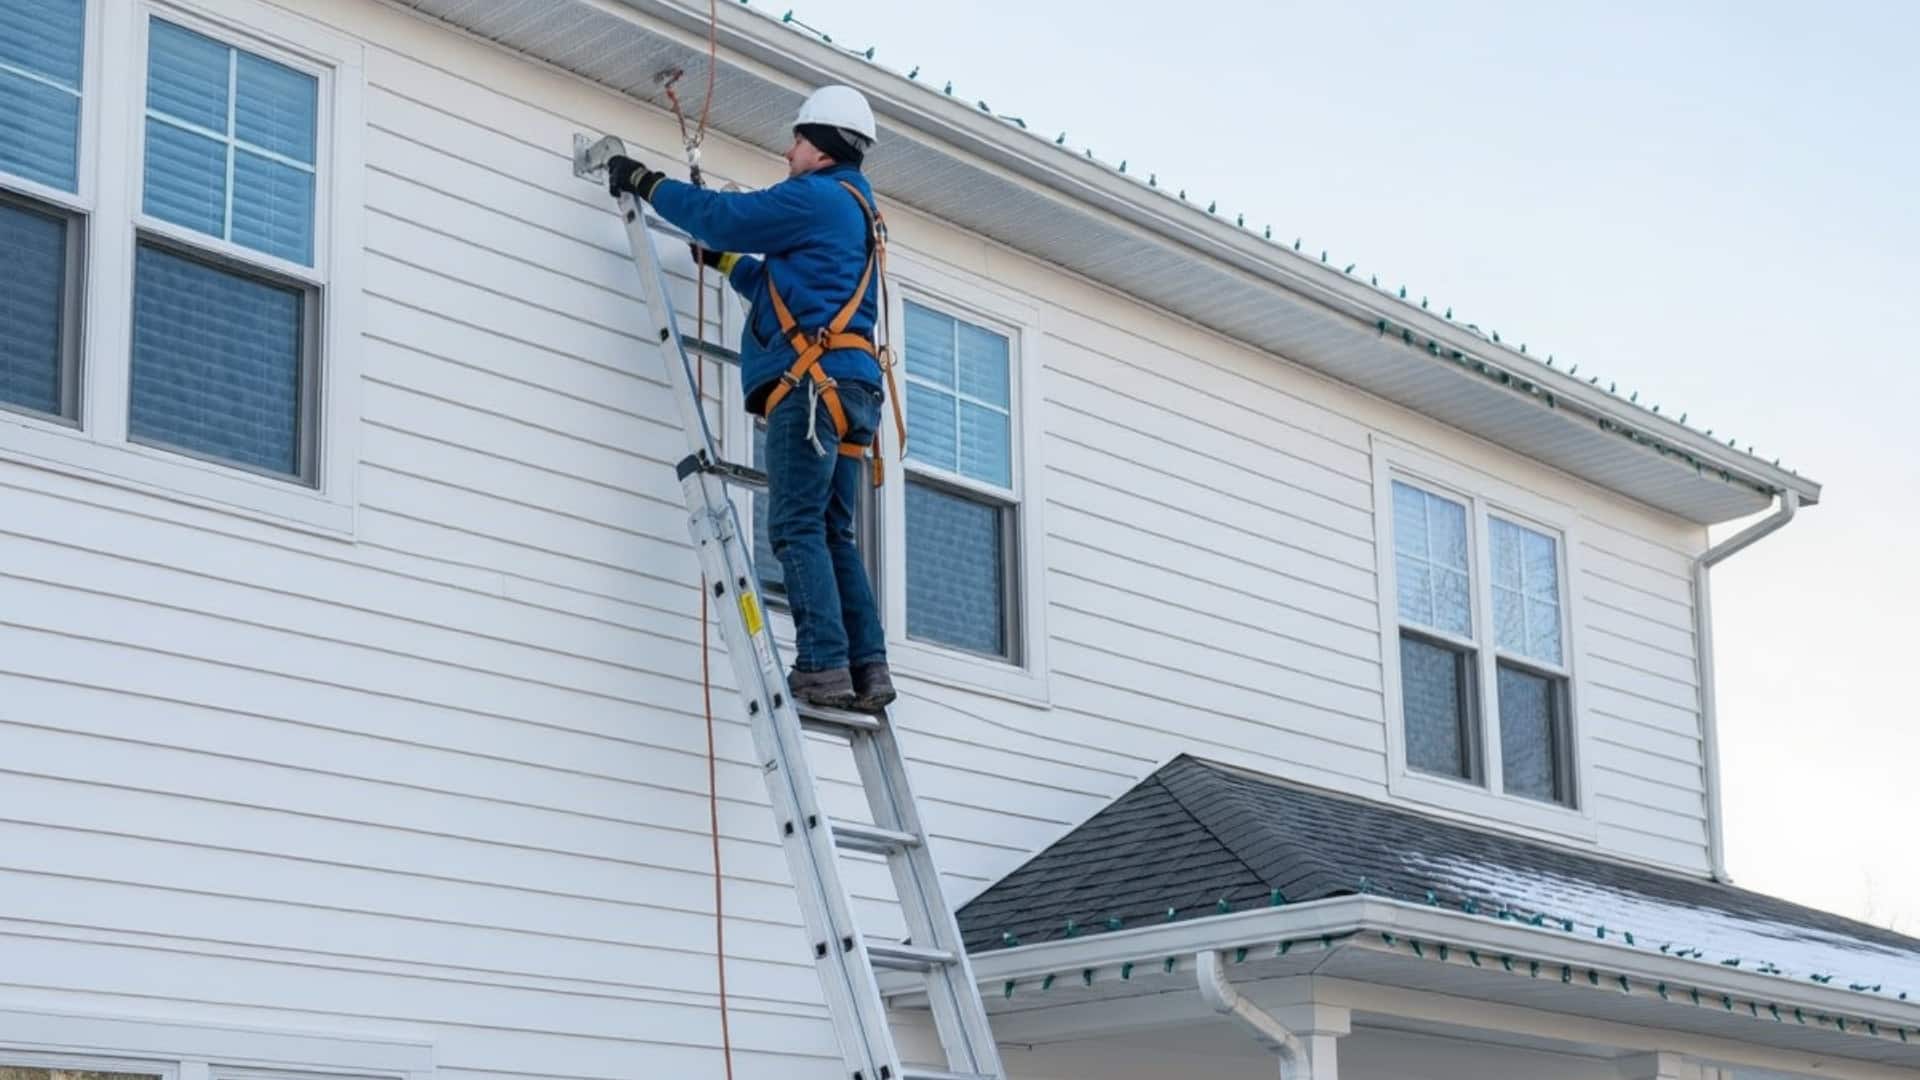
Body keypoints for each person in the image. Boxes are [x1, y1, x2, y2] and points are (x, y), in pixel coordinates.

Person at [604, 85, 897, 713]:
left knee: (795, 527)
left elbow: (721, 215)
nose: (787, 149)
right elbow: (776, 281)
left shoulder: (813, 196)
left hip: (812, 391)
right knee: (832, 531)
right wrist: (725, 262)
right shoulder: (855, 210)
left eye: (796, 139)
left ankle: (821, 666)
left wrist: (647, 183)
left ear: (820, 147)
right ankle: (867, 667)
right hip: (851, 388)